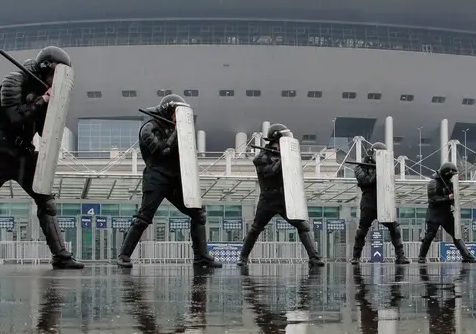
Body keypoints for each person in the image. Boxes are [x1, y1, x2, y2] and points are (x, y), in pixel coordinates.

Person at [0, 46, 83, 270]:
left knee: (45, 200)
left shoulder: (47, 90)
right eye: (54, 76)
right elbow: (14, 116)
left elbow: (45, 131)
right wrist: (43, 100)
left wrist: (54, 107)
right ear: (46, 69)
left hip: (23, 154)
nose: (55, 81)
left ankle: (60, 255)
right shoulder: (14, 80)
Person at [116, 94, 220, 269]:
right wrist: (177, 132)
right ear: (168, 112)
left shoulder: (178, 130)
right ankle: (123, 256)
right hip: (156, 178)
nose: (177, 118)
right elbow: (161, 150)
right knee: (144, 218)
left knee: (198, 214)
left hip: (175, 180)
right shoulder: (149, 128)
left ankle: (201, 256)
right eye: (175, 114)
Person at [237, 124, 324, 267]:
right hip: (267, 200)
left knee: (303, 226)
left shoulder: (286, 156)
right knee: (255, 229)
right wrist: (283, 160)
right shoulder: (261, 157)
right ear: (275, 140)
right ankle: (242, 258)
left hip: (284, 200)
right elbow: (269, 172)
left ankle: (314, 257)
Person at [350, 142, 409, 264]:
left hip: (384, 201)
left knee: (394, 228)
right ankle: (356, 257)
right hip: (369, 202)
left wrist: (383, 168)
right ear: (372, 154)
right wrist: (379, 170)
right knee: (362, 230)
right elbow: (365, 181)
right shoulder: (360, 167)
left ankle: (400, 256)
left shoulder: (386, 166)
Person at [417, 162, 476, 262]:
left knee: (456, 234)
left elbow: (453, 200)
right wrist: (447, 197)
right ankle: (421, 257)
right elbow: (432, 199)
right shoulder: (433, 182)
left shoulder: (450, 184)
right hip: (434, 214)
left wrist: (454, 200)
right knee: (429, 236)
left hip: (446, 214)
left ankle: (466, 255)